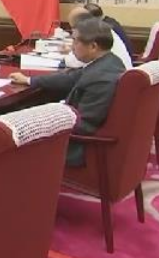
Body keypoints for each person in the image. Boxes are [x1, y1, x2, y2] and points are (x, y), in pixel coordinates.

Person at [9, 18, 127, 167]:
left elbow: (85, 126)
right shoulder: (109, 62)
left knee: (12, 137)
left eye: (75, 41)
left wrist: (42, 123)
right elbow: (71, 78)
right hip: (74, 129)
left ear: (93, 46)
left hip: (77, 148)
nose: (72, 47)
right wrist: (29, 80)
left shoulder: (101, 79)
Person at [63, 7, 132, 69]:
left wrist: (69, 55)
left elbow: (74, 62)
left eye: (73, 27)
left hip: (119, 75)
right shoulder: (101, 28)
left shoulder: (95, 31)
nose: (73, 31)